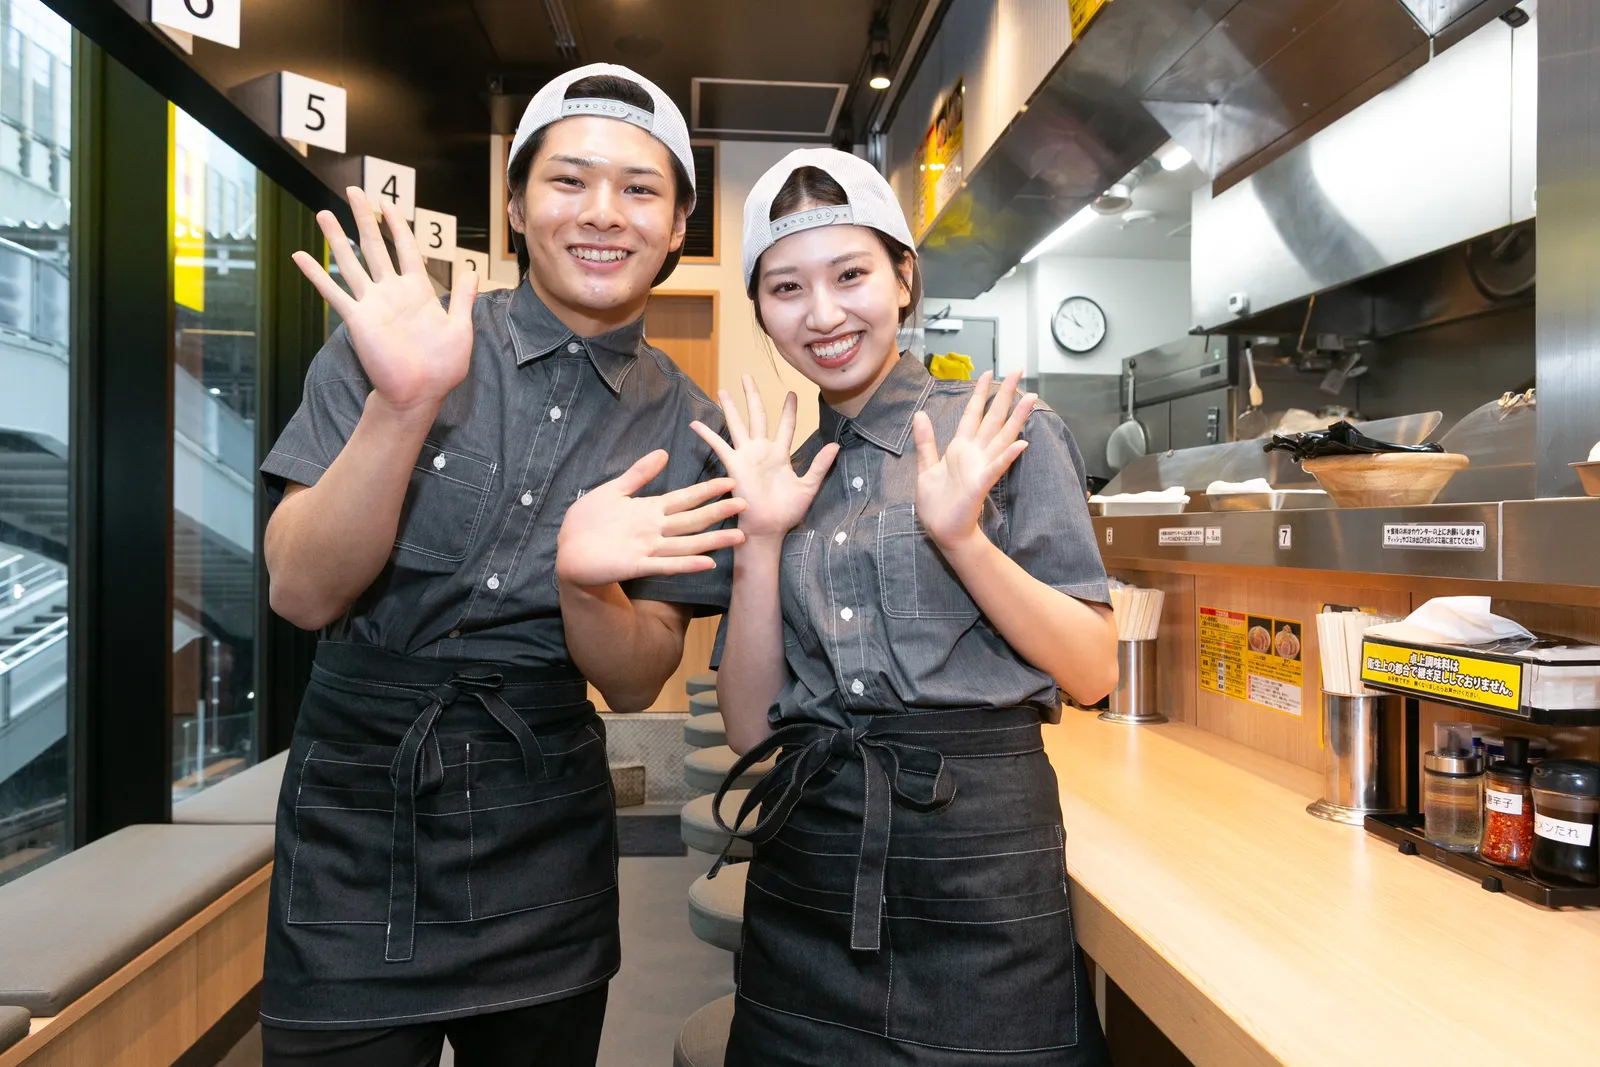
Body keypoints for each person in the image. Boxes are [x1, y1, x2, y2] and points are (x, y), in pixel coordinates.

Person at [255, 64, 742, 1066]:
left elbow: (635, 673)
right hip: (360, 791)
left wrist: (582, 584)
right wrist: (403, 405)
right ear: (514, 203)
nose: (601, 213)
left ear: (678, 223)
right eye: (567, 181)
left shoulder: (695, 428)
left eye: (640, 189)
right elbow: (301, 591)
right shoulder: (398, 341)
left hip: (541, 804)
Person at [693, 148, 1118, 1065]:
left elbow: (1092, 670)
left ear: (903, 278)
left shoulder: (1001, 429)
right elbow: (745, 725)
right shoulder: (785, 474)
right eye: (786, 288)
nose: (823, 314)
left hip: (979, 868)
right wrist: (761, 538)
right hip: (807, 860)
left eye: (851, 275)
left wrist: (962, 536)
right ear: (762, 311)